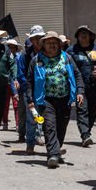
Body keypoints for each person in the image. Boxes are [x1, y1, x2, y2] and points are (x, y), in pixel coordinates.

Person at [25, 32, 84, 168]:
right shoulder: (36, 60)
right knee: (49, 126)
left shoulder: (67, 58)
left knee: (61, 127)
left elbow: (77, 74)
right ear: (43, 45)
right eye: (49, 42)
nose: (52, 45)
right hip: (46, 99)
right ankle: (52, 154)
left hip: (65, 99)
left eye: (55, 42)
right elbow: (29, 81)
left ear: (59, 44)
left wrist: (80, 92)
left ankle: (56, 151)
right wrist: (30, 100)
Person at [68, 25, 96, 147]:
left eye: (86, 33)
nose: (83, 35)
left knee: (92, 112)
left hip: (94, 85)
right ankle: (85, 135)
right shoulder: (71, 50)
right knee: (82, 110)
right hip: (80, 86)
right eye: (81, 33)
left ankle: (87, 132)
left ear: (90, 36)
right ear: (77, 37)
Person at [17, 25, 46, 153]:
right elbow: (21, 74)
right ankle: (30, 143)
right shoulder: (25, 56)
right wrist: (27, 89)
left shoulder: (49, 53)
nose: (38, 40)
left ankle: (40, 136)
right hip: (29, 92)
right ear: (32, 40)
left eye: (40, 37)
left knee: (46, 116)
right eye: (36, 38)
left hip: (46, 91)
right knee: (31, 118)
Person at [1, 39, 21, 131]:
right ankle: (5, 122)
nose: (11, 49)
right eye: (9, 47)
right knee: (5, 105)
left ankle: (18, 124)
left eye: (13, 47)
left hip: (15, 83)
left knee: (16, 105)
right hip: (5, 83)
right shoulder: (4, 57)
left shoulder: (19, 58)